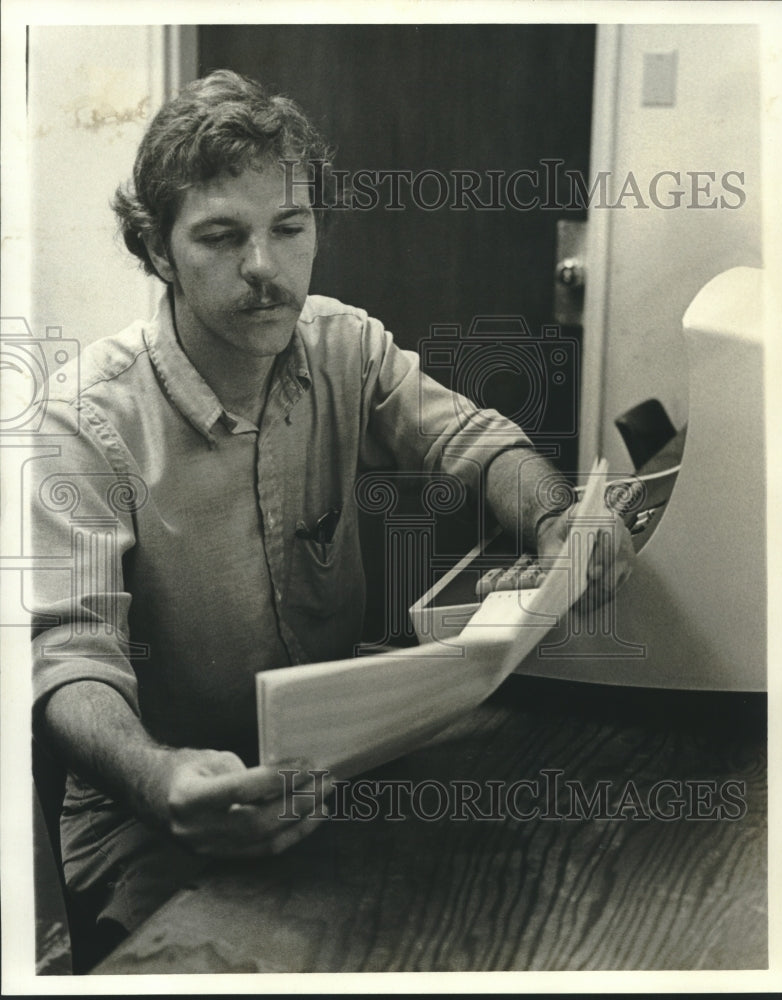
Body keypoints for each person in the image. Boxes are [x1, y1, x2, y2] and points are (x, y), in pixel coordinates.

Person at [30, 70, 634, 961]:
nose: (266, 269)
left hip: (337, 763)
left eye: (290, 228)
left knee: (518, 909)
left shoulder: (344, 342)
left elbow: (477, 443)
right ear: (158, 249)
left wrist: (555, 523)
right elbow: (70, 660)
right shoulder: (82, 422)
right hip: (158, 819)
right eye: (222, 237)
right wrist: (161, 781)